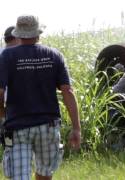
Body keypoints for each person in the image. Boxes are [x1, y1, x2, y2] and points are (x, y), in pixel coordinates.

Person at [0, 15, 81, 180]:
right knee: (45, 174)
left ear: (18, 34)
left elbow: (0, 92)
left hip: (17, 127)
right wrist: (76, 128)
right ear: (38, 33)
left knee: (18, 176)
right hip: (49, 126)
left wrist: (2, 115)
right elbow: (67, 91)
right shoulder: (54, 55)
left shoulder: (7, 56)